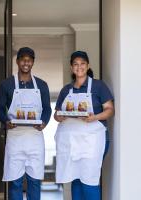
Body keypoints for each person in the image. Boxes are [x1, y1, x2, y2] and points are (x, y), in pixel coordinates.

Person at [54, 51, 114, 200]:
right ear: (71, 67)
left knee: (89, 178)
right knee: (76, 177)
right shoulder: (66, 90)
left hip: (94, 139)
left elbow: (110, 110)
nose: (79, 67)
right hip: (72, 141)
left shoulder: (99, 86)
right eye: (75, 64)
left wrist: (94, 117)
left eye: (82, 64)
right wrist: (60, 116)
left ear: (88, 66)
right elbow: (56, 115)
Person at [0, 47, 52, 200]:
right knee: (15, 182)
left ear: (33, 62)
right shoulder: (6, 85)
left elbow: (47, 108)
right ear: (17, 61)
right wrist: (6, 121)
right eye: (23, 59)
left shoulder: (41, 85)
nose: (26, 62)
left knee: (34, 181)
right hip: (15, 138)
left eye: (29, 59)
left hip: (35, 137)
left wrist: (44, 122)